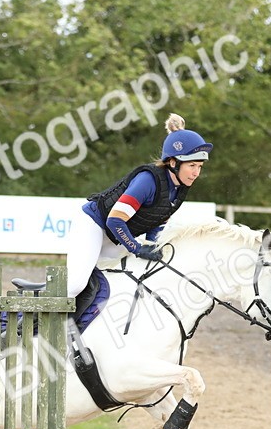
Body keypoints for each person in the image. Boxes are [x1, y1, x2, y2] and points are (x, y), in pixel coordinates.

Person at [67, 114, 212, 298]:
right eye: (192, 165)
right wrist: (136, 248)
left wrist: (153, 248)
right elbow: (115, 220)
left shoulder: (179, 189)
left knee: (130, 280)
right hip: (93, 225)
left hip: (115, 238)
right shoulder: (148, 181)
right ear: (173, 162)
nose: (196, 173)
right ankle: (36, 312)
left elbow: (156, 224)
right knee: (76, 286)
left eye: (199, 166)